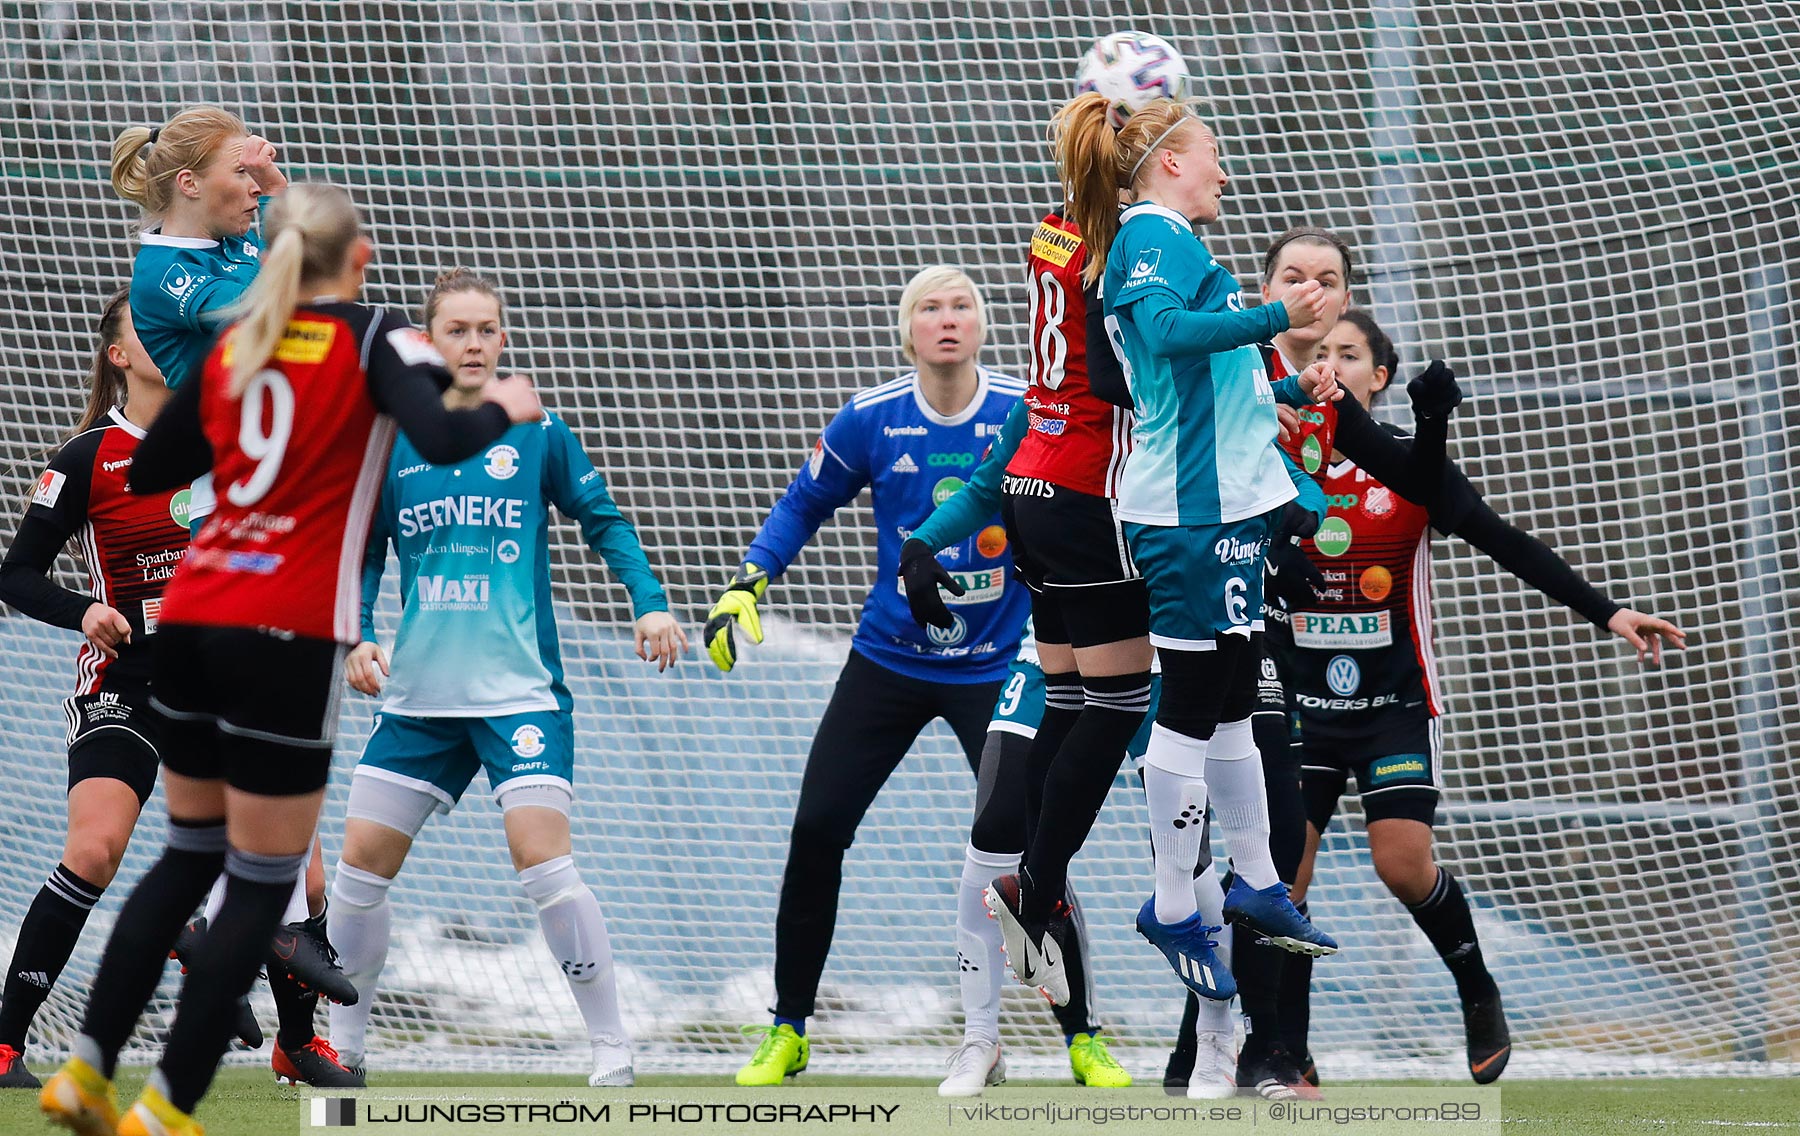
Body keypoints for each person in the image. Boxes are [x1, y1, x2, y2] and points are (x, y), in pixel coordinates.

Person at [40, 183, 541, 1136]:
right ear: (356, 263)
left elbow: (151, 471)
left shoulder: (239, 341)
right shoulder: (374, 334)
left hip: (187, 620)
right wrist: (504, 408)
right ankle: (165, 1107)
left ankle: (87, 1073)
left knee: (189, 856)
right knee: (265, 879)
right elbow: (440, 434)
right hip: (286, 629)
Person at [989, 93, 1338, 1028]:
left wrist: (1282, 384)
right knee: (1181, 702)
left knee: (1228, 690)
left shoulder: (1163, 237)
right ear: (1170, 163)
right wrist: (1274, 316)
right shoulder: (1151, 232)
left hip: (1220, 507)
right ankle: (1175, 904)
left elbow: (1199, 368)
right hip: (1179, 516)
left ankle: (1256, 880)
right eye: (1213, 153)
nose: (1224, 170)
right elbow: (1163, 336)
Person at [1270, 309, 1686, 1085]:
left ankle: (1475, 986)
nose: (1330, 362)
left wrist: (1609, 611)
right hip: (1298, 704)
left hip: (1392, 702)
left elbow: (1509, 542)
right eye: (1319, 351)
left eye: (1350, 353)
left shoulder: (1408, 469)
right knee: (1284, 880)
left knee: (1400, 863)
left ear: (1379, 377)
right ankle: (1290, 1053)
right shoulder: (1273, 456)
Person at [326, 268, 686, 1088]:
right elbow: (365, 556)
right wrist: (359, 638)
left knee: (543, 864)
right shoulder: (391, 442)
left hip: (519, 695)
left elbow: (605, 519)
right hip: (417, 701)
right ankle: (345, 1048)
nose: (477, 342)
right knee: (357, 875)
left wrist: (652, 602)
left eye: (489, 328)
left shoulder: (537, 431)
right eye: (459, 329)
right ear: (426, 344)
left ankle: (610, 1047)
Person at [703, 267, 1029, 1085]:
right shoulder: (871, 418)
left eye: (961, 306)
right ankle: (789, 1028)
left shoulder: (1025, 413)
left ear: (983, 326)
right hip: (889, 660)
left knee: (1029, 852)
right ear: (907, 328)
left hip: (995, 665)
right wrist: (750, 579)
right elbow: (802, 504)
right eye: (929, 307)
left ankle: (1081, 1035)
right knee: (817, 829)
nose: (946, 320)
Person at [113, 107, 356, 1083]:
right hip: (235, 544)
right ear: (187, 184)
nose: (254, 190)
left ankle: (269, 995)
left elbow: (284, 277)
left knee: (276, 833)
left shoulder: (222, 241)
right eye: (238, 174)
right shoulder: (170, 272)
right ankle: (224, 970)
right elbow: (276, 318)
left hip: (269, 533)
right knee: (261, 829)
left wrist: (272, 189)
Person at [0, 293, 191, 1089]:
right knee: (94, 848)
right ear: (119, 354)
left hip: (224, 685)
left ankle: (297, 1042)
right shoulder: (87, 459)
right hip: (127, 684)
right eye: (148, 330)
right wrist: (87, 612)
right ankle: (7, 1041)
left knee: (294, 873)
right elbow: (13, 575)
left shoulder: (231, 446)